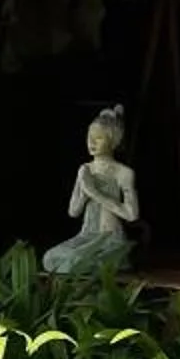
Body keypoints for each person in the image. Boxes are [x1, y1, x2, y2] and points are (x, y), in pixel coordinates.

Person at [42, 107, 140, 274]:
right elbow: (73, 211)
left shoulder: (123, 173)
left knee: (76, 262)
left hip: (111, 239)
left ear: (113, 141)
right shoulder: (85, 169)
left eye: (98, 138)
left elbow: (132, 215)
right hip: (87, 236)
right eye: (89, 137)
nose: (92, 143)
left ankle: (117, 260)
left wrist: (94, 192)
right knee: (50, 258)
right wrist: (84, 190)